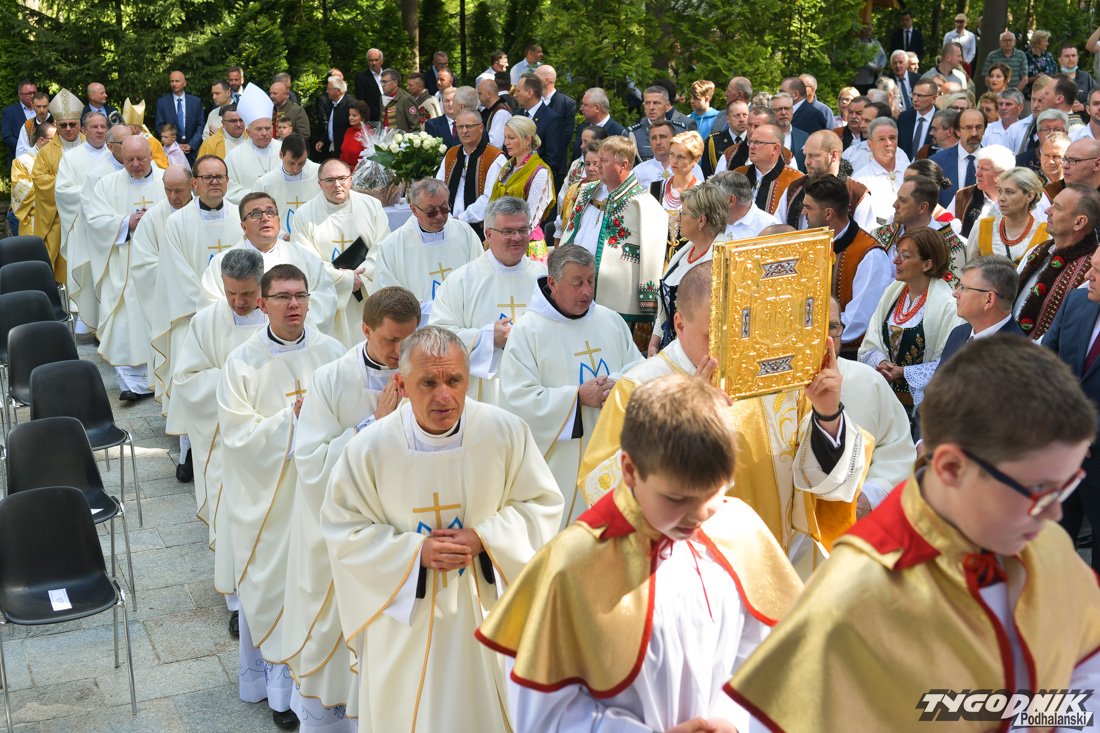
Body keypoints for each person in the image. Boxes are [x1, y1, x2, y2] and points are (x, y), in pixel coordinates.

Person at [733, 334, 1100, 731]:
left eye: (1067, 486)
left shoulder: (1047, 547)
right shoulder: (853, 597)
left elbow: (1085, 680)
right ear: (951, 468)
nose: (1055, 514)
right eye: (1040, 490)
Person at [480, 373, 803, 733]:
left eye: (713, 492)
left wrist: (734, 721)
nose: (698, 515)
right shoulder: (572, 565)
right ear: (630, 470)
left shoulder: (738, 530)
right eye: (676, 498)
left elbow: (769, 657)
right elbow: (544, 716)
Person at [320, 325, 563, 732]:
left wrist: (484, 537)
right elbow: (345, 531)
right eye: (428, 383)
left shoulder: (504, 432)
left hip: (485, 615)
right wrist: (415, 553)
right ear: (401, 385)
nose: (444, 396)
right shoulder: (369, 449)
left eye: (454, 380)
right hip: (405, 624)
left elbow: (542, 505)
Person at [281, 286, 419, 730]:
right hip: (343, 532)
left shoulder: (425, 374)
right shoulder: (331, 379)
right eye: (391, 340)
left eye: (409, 340)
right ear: (365, 330)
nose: (401, 352)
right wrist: (371, 426)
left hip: (400, 532)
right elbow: (310, 463)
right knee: (337, 633)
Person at [217, 263, 344, 731]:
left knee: (316, 589)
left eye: (300, 296)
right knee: (274, 588)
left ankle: (317, 691)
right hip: (270, 498)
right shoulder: (242, 363)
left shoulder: (333, 353)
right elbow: (236, 436)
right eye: (283, 297)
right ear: (262, 304)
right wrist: (291, 419)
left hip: (318, 492)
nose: (293, 305)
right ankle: (278, 692)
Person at [499, 244, 644, 525]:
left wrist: (617, 385)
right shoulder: (528, 331)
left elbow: (638, 369)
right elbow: (516, 400)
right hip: (558, 468)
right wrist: (576, 398)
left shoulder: (610, 320)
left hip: (612, 456)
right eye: (577, 283)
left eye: (591, 281)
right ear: (553, 283)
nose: (587, 291)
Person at [167, 248, 268, 636]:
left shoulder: (280, 319)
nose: (239, 302)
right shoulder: (207, 322)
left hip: (275, 441)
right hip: (227, 442)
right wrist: (234, 382)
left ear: (262, 286)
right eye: (231, 294)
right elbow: (187, 379)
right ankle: (238, 602)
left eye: (247, 294)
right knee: (231, 518)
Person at [428, 196, 547, 406]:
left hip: (535, 388)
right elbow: (437, 338)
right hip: (484, 396)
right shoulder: (462, 281)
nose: (517, 237)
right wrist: (487, 338)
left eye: (522, 230)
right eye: (508, 231)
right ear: (488, 234)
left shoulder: (543, 278)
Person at [154, 155, 244, 412]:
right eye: (207, 177)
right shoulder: (177, 222)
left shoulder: (242, 216)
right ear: (194, 183)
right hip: (193, 315)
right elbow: (176, 273)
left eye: (219, 177)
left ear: (227, 181)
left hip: (240, 311)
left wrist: (236, 303)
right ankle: (190, 431)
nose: (214, 182)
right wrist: (215, 306)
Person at [83, 136, 166, 400]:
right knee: (125, 322)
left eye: (140, 158)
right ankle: (132, 384)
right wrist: (126, 222)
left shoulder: (167, 181)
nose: (135, 164)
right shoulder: (107, 184)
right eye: (129, 159)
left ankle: (161, 377)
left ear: (150, 155)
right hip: (124, 265)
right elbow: (94, 220)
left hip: (159, 263)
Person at [557, 136, 669, 328]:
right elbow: (570, 230)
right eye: (597, 160)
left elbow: (653, 254)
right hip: (574, 284)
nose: (597, 165)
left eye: (604, 160)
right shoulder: (586, 191)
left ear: (623, 165)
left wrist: (647, 298)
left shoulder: (644, 204)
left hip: (614, 297)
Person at [860, 227, 964, 416]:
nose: (896, 260)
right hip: (883, 398)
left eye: (906, 256)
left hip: (921, 409)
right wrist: (882, 362)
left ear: (927, 264)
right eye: (897, 253)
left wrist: (904, 372)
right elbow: (872, 337)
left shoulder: (947, 306)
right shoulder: (892, 292)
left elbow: (950, 362)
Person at [201, 192, 337, 333]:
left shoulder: (304, 258)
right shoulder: (222, 263)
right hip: (239, 339)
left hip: (291, 341)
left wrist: (285, 319)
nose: (265, 218)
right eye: (255, 214)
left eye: (270, 212)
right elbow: (210, 310)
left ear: (278, 220)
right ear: (243, 226)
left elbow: (326, 298)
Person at [291, 158, 390, 346]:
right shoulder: (304, 215)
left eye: (342, 178)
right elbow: (306, 261)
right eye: (329, 180)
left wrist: (364, 274)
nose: (337, 185)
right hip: (330, 299)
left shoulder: (372, 206)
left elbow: (384, 245)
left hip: (369, 292)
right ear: (319, 184)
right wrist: (346, 279)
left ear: (351, 179)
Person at [1043, 245, 1100, 569]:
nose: (1088, 275)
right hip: (1060, 454)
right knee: (1049, 555)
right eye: (1091, 266)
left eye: (1098, 271)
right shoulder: (1076, 301)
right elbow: (1044, 365)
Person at [366, 178, 483, 325]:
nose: (440, 216)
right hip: (417, 327)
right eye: (431, 212)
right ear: (414, 210)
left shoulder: (464, 233)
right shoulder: (392, 246)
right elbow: (386, 297)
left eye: (444, 208)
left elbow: (480, 276)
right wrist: (429, 307)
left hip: (463, 323)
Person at [802, 174, 892, 357]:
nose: (803, 212)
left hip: (848, 357)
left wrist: (812, 338)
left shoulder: (870, 254)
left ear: (828, 214)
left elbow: (858, 320)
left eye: (808, 207)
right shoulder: (810, 242)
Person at [130, 164, 193, 416]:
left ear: (193, 186)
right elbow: (143, 265)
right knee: (177, 360)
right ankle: (180, 419)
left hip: (209, 302)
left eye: (179, 190)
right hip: (174, 308)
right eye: (168, 190)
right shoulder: (154, 218)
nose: (173, 196)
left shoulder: (204, 216)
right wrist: (179, 281)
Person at [647, 181, 725, 357]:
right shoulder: (684, 251)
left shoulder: (722, 260)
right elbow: (664, 308)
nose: (678, 218)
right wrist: (655, 341)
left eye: (683, 213)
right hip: (669, 351)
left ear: (701, 220)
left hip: (695, 356)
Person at [1014, 184, 1100, 339]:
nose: (1048, 210)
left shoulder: (1091, 270)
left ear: (1079, 222)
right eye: (1052, 203)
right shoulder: (1038, 250)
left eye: (1058, 208)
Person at [32, 88, 86, 284]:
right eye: (63, 125)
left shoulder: (91, 147)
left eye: (73, 124)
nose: (68, 128)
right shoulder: (46, 152)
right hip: (59, 219)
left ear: (80, 124)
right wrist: (68, 187)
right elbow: (39, 179)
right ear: (56, 125)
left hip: (88, 216)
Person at [777, 129, 875, 231]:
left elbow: (862, 237)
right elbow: (778, 228)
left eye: (814, 155)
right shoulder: (794, 189)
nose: (807, 162)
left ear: (833, 155)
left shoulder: (857, 195)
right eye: (805, 155)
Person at [939, 255, 1026, 365]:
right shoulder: (958, 333)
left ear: (989, 299)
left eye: (963, 288)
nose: (955, 293)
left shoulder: (1017, 358)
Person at [489, 114, 554, 259]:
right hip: (501, 240)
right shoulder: (508, 168)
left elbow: (530, 218)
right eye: (505, 137)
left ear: (527, 140)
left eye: (511, 138)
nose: (506, 142)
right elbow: (492, 205)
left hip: (525, 244)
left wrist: (506, 236)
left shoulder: (540, 172)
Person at [437, 108, 504, 232]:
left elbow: (490, 198)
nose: (464, 131)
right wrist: (447, 217)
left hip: (480, 228)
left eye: (469, 126)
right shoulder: (451, 154)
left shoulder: (494, 157)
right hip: (448, 224)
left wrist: (462, 218)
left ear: (481, 128)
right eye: (460, 127)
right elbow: (438, 187)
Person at [966, 166, 1047, 264]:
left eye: (1009, 192)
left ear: (1030, 196)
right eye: (1000, 191)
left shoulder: (1045, 233)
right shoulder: (982, 226)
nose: (1001, 198)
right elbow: (969, 268)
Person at [650, 130, 703, 267]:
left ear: (695, 160)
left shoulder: (702, 192)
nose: (674, 161)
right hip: (657, 263)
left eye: (681, 156)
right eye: (672, 154)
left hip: (689, 263)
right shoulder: (655, 188)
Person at [251, 132, 319, 237]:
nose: (296, 169)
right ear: (281, 154)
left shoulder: (320, 174)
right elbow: (257, 214)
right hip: (281, 240)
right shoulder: (265, 183)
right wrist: (281, 235)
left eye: (301, 163)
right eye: (291, 163)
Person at [226, 84, 283, 205]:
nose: (264, 133)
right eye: (259, 129)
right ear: (248, 132)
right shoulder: (234, 156)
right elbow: (229, 190)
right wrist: (259, 196)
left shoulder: (284, 149)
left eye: (267, 128)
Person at [951, 144, 1022, 241]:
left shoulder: (1020, 198)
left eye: (984, 169)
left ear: (1003, 174)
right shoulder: (963, 196)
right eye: (978, 168)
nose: (977, 174)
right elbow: (947, 227)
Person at [735, 122, 804, 216]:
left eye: (758, 142)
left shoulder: (795, 180)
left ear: (775, 148)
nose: (751, 146)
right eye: (750, 142)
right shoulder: (738, 174)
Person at [512, 72, 565, 181]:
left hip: (537, 180)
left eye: (518, 91)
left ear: (529, 93)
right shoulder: (517, 115)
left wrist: (529, 176)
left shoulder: (552, 119)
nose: (515, 95)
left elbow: (553, 160)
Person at [854, 117, 908, 223]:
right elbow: (861, 223)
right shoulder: (860, 180)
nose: (888, 143)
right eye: (882, 139)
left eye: (892, 138)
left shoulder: (909, 171)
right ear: (870, 144)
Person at [633, 120, 705, 188]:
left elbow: (701, 194)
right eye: (654, 138)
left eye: (662, 137)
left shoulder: (692, 168)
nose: (658, 142)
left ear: (673, 139)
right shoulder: (639, 171)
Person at [10, 120, 53, 234]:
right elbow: (20, 191)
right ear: (42, 140)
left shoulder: (59, 160)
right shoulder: (21, 162)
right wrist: (50, 187)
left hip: (56, 220)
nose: (57, 143)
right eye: (53, 139)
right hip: (33, 220)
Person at [627, 85, 690, 162]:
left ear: (667, 105)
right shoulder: (634, 134)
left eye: (656, 103)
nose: (651, 107)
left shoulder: (681, 131)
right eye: (647, 103)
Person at [712, 170, 780, 240]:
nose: (709, 203)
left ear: (730, 200)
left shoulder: (768, 226)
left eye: (712, 198)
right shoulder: (711, 221)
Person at [154, 71, 203, 163]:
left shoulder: (196, 102)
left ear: (184, 83)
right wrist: (174, 144)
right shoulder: (162, 103)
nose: (174, 84)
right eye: (171, 81)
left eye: (177, 81)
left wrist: (192, 145)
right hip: (171, 153)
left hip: (193, 153)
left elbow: (200, 125)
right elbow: (160, 126)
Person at [573, 87, 626, 160]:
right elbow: (576, 158)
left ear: (597, 108)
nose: (581, 108)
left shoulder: (618, 133)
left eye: (585, 105)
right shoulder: (582, 128)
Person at [702, 100, 749, 178]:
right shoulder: (714, 141)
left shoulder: (755, 141)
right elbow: (707, 173)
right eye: (737, 116)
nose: (742, 119)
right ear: (728, 119)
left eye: (745, 115)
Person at [315, 76, 354, 157]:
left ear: (338, 91)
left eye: (329, 89)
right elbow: (332, 125)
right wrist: (322, 140)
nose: (327, 91)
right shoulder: (334, 103)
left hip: (346, 151)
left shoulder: (350, 104)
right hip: (335, 149)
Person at [13, 91, 50, 159]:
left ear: (49, 105)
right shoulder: (28, 125)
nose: (42, 110)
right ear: (32, 106)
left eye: (44, 106)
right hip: (33, 162)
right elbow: (21, 151)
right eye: (38, 106)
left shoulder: (58, 123)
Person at [337, 100, 371, 168]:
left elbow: (369, 161)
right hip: (344, 170)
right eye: (349, 115)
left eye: (354, 115)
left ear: (363, 117)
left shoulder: (368, 134)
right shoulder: (348, 131)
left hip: (359, 172)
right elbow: (343, 154)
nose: (350, 118)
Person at [353, 48, 384, 121]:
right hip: (373, 119)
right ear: (367, 62)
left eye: (376, 60)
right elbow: (361, 101)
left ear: (382, 61)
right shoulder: (361, 78)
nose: (374, 63)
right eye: (371, 60)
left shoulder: (389, 75)